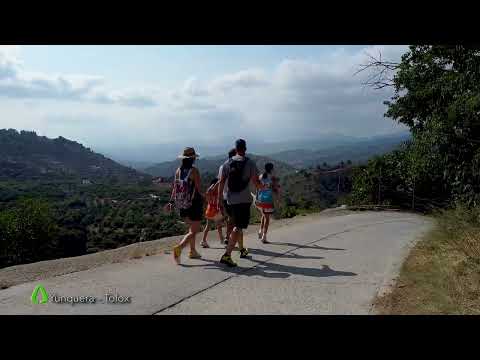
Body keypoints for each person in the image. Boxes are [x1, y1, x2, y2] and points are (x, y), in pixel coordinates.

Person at [217, 139, 265, 267]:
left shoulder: (227, 163)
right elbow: (256, 183)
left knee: (235, 225)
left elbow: (221, 183)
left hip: (230, 200)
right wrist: (264, 187)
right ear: (245, 148)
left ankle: (240, 249)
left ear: (236, 148)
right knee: (238, 227)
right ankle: (227, 255)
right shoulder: (250, 163)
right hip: (243, 200)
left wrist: (219, 201)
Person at [169, 147, 205, 264]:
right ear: (192, 158)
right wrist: (208, 198)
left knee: (191, 228)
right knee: (195, 230)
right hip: (194, 204)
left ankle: (193, 251)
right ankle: (179, 248)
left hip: (182, 204)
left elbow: (175, 188)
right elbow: (199, 189)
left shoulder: (178, 170)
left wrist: (171, 202)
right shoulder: (194, 171)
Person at [255, 162, 280, 243]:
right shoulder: (272, 178)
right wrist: (278, 199)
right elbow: (275, 189)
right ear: (271, 169)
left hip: (260, 199)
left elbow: (258, 188)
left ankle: (260, 231)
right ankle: (264, 236)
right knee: (267, 218)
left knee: (264, 215)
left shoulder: (260, 176)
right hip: (268, 200)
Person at [218, 148, 237, 245]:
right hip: (234, 197)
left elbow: (220, 182)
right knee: (234, 218)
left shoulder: (222, 167)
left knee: (230, 217)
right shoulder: (235, 167)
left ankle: (228, 236)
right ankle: (230, 238)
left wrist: (219, 199)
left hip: (225, 196)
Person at [200, 178, 225, 248]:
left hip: (209, 209)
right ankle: (221, 240)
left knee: (208, 226)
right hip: (215, 210)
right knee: (219, 226)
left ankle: (203, 240)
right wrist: (219, 181)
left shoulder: (209, 191)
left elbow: (207, 195)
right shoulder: (214, 191)